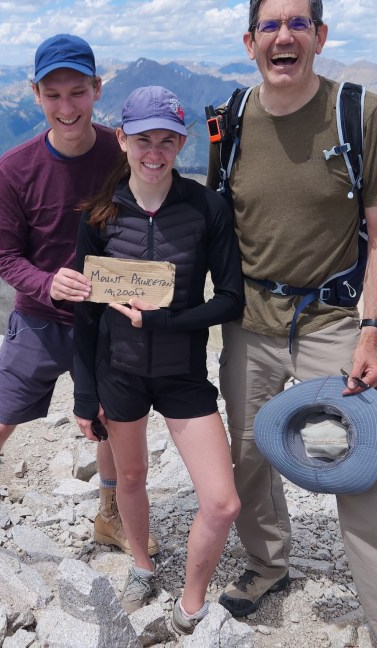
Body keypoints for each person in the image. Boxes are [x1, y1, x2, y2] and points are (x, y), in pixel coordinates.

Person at [206, 1, 377, 646]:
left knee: (360, 469)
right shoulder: (231, 119)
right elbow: (216, 222)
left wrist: (371, 331)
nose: (284, 37)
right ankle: (266, 564)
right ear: (250, 42)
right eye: (270, 27)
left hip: (333, 318)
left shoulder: (359, 113)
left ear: (320, 36)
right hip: (250, 317)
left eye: (297, 24)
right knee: (248, 457)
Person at [0, 33, 159, 601]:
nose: (67, 106)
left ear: (97, 90)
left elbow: (149, 212)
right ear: (35, 96)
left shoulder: (119, 152)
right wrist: (47, 282)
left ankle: (109, 512)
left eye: (77, 91)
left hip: (103, 319)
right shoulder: (16, 168)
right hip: (37, 316)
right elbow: (4, 255)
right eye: (53, 94)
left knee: (111, 416)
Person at [72, 86, 243, 634]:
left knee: (222, 504)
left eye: (167, 140)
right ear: (122, 140)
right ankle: (142, 565)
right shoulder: (99, 214)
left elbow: (231, 299)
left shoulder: (206, 207)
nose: (155, 151)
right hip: (117, 371)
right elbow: (86, 311)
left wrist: (164, 319)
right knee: (132, 476)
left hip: (183, 374)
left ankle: (190, 604)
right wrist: (83, 393)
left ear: (181, 142)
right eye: (143, 138)